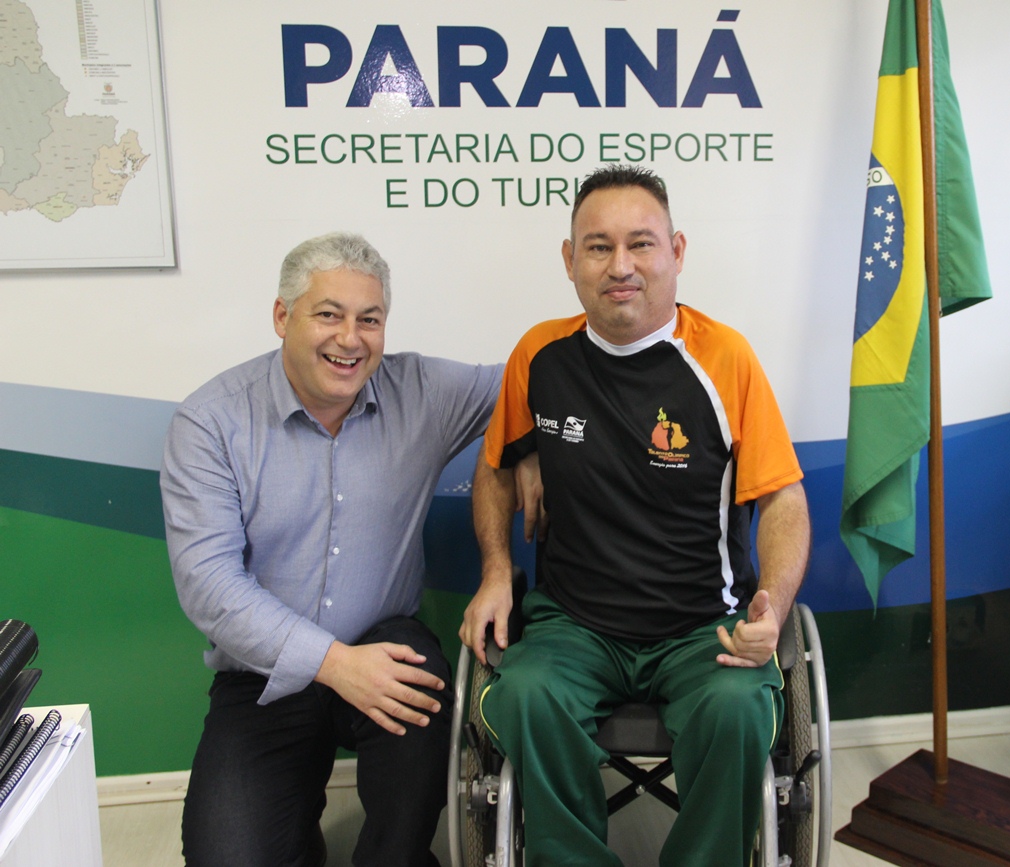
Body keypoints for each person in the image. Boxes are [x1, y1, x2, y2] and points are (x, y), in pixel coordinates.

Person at [460, 165, 812, 866]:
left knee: (739, 708)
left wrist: (773, 607)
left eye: (640, 244)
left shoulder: (725, 359)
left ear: (676, 252)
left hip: (700, 625)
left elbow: (783, 499)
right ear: (570, 260)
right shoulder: (539, 356)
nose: (620, 266)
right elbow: (496, 466)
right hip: (575, 622)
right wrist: (497, 570)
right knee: (524, 692)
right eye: (598, 247)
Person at [161, 232, 502, 866]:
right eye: (328, 314)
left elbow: (542, 383)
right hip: (263, 674)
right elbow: (209, 586)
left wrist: (527, 451)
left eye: (369, 319)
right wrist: (334, 663)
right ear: (281, 316)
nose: (350, 339)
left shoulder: (422, 391)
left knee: (419, 695)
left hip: (383, 639)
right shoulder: (210, 422)